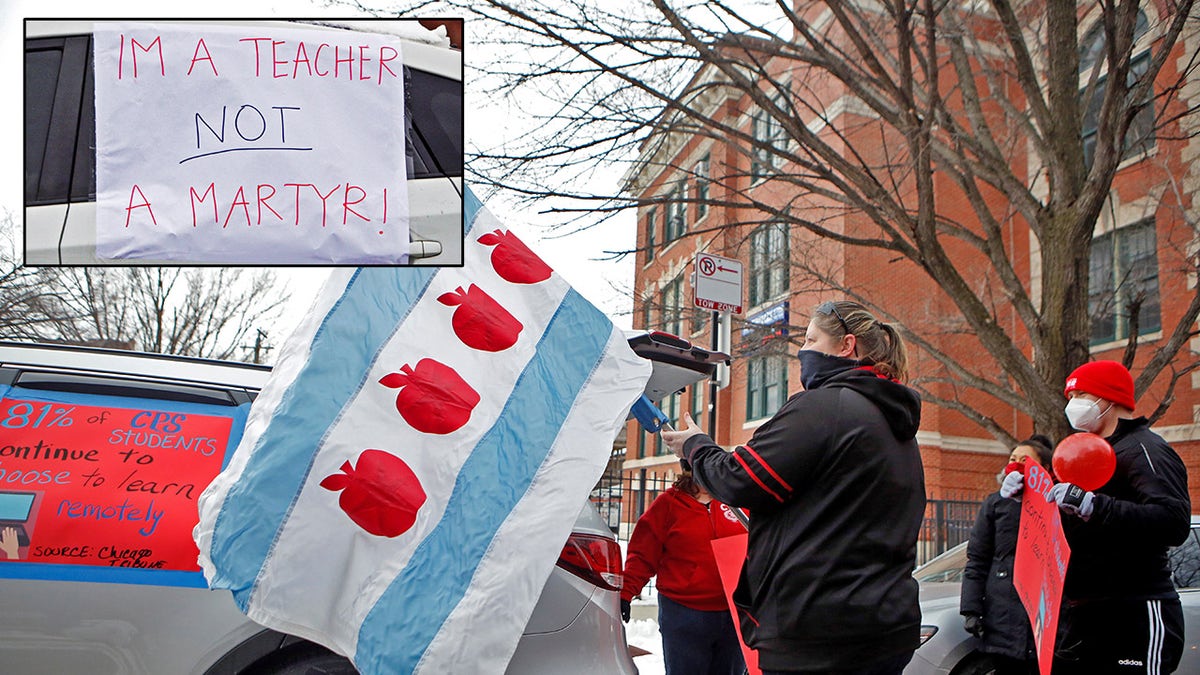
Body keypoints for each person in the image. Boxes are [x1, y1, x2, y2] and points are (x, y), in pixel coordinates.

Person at [663, 300, 925, 675]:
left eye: (812, 339)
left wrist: (695, 446)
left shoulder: (824, 407)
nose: (803, 350)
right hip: (884, 626)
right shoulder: (896, 426)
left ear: (846, 346)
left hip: (818, 633)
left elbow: (742, 479)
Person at [1006, 360, 1191, 673]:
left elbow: (1173, 521)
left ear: (1109, 399)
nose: (1072, 405)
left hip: (1135, 612)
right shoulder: (1083, 455)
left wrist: (1095, 505)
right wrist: (1028, 494)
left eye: (1080, 395)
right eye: (1071, 396)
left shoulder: (1146, 449)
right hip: (1082, 615)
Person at [621, 470, 747, 675]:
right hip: (684, 614)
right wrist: (627, 591)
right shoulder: (668, 504)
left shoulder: (737, 504)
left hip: (733, 613)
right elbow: (643, 554)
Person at [960, 435, 1055, 674]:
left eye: (1024, 460)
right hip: (1003, 620)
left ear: (1044, 469)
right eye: (1012, 459)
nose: (1015, 464)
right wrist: (971, 610)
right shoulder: (996, 504)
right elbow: (977, 560)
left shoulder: (1057, 505)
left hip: (1046, 623)